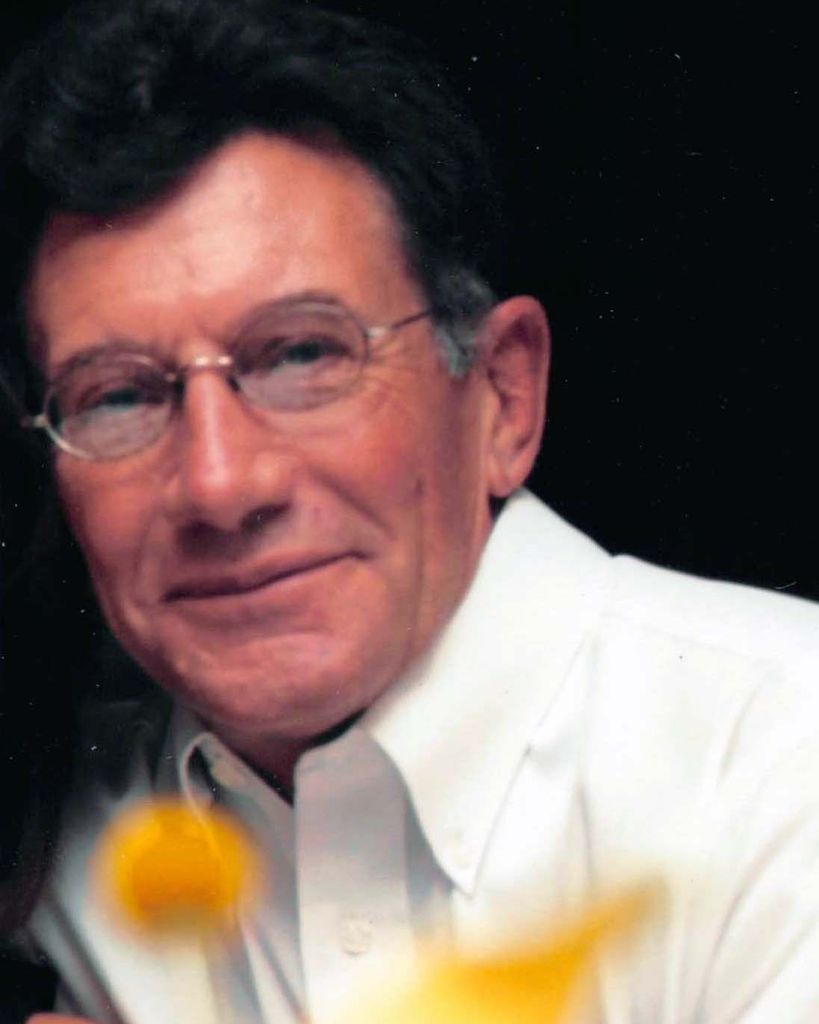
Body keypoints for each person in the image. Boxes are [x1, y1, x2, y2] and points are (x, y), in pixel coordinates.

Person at [2, 0, 819, 1021]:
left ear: (503, 396)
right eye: (118, 396)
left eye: (303, 354)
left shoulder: (780, 753)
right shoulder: (50, 832)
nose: (219, 483)